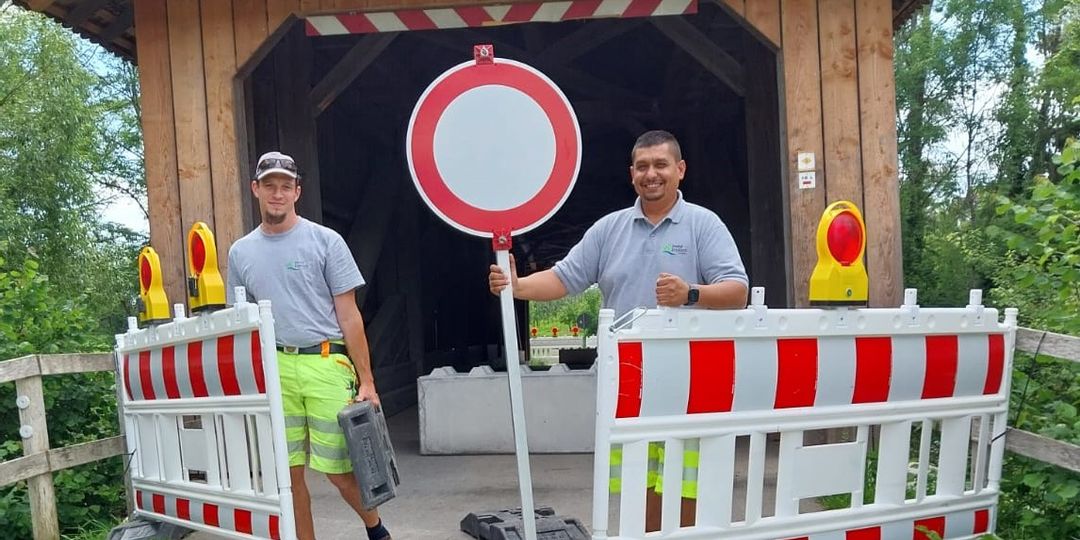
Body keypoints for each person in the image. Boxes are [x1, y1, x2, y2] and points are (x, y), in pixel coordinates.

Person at [488, 130, 749, 530]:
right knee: (638, 475)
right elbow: (564, 278)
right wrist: (518, 286)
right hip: (629, 376)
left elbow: (737, 292)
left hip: (691, 376)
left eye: (661, 165)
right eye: (642, 166)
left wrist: (690, 293)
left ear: (680, 170)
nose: (652, 174)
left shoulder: (703, 225)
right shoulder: (609, 229)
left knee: (687, 478)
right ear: (631, 174)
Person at [227, 151, 391, 540]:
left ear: (297, 192)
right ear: (256, 190)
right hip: (276, 367)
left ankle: (376, 529)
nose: (277, 194)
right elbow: (241, 320)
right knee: (287, 473)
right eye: (270, 186)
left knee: (338, 469)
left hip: (324, 361)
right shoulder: (240, 252)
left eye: (285, 186)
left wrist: (367, 382)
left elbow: (350, 315)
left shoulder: (326, 242)